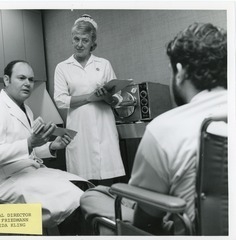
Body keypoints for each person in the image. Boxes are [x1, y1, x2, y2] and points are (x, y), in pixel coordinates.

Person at [80, 22, 227, 234]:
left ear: (180, 72)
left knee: (93, 195)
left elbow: (146, 219)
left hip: (185, 227)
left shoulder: (165, 127)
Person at [0, 60, 93, 234]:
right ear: (7, 80)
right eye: (21, 78)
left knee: (83, 187)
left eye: (31, 80)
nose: (27, 83)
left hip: (29, 172)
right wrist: (29, 143)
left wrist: (52, 146)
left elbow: (29, 151)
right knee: (73, 201)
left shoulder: (26, 110)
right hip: (5, 181)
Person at [54, 14, 125, 185]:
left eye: (84, 40)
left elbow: (117, 98)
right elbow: (60, 100)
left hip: (104, 130)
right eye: (76, 39)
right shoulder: (63, 67)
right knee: (82, 185)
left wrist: (108, 97)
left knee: (107, 185)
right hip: (80, 131)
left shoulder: (104, 64)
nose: (79, 44)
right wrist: (91, 97)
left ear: (92, 42)